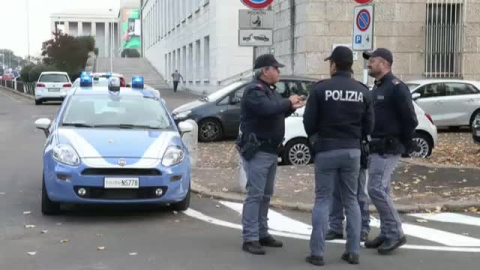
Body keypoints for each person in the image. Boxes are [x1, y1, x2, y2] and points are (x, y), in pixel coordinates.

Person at [303, 46, 374, 266]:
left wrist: (316, 140)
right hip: (352, 151)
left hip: (326, 149)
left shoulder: (320, 89)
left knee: (323, 199)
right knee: (351, 200)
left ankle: (317, 254)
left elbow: (308, 122)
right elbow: (369, 125)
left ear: (334, 65)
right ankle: (353, 252)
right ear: (351, 66)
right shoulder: (363, 91)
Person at [236, 54, 305, 255]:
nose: (279, 72)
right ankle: (250, 238)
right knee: (255, 195)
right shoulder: (254, 91)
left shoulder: (269, 90)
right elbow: (266, 109)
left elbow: (275, 112)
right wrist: (287, 102)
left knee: (265, 195)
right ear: (265, 70)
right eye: (276, 68)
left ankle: (262, 233)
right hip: (258, 150)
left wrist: (291, 107)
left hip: (270, 150)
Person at [362, 48, 418, 255]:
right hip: (376, 147)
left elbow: (410, 119)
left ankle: (395, 232)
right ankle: (386, 232)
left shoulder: (396, 87)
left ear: (385, 63)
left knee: (375, 189)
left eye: (373, 61)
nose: (369, 64)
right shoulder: (376, 88)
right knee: (381, 190)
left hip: (388, 147)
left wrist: (402, 143)